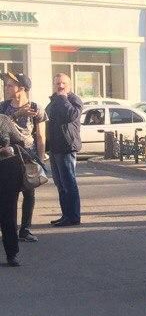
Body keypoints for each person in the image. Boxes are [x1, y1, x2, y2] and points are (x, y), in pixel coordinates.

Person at [0, 72, 46, 242]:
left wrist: (40, 159)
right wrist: (17, 114)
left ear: (22, 88)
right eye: (6, 85)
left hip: (28, 156)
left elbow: (41, 136)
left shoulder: (35, 107)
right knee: (9, 195)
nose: (6, 87)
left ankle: (25, 230)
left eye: (10, 85)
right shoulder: (3, 107)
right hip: (7, 157)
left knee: (29, 193)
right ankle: (8, 230)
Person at [45, 73, 83, 227]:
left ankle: (73, 217)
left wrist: (62, 98)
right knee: (60, 184)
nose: (60, 86)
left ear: (70, 85)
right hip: (54, 148)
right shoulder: (53, 101)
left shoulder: (73, 100)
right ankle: (65, 214)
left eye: (63, 83)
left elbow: (71, 115)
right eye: (57, 84)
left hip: (67, 147)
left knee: (69, 183)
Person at [0, 113, 27, 266]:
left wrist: (10, 148)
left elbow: (20, 142)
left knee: (8, 214)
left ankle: (12, 253)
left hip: (8, 171)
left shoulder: (3, 120)